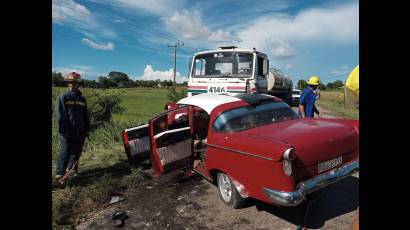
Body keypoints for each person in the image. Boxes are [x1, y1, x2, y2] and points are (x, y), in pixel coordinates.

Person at [54, 72, 90, 183]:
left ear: (78, 84)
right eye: (69, 82)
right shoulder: (63, 97)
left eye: (74, 83)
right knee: (65, 152)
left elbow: (85, 115)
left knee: (76, 152)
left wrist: (87, 130)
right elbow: (60, 116)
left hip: (79, 132)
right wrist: (64, 131)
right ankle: (59, 175)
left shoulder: (82, 99)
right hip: (66, 132)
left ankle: (71, 173)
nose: (71, 85)